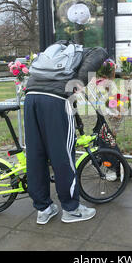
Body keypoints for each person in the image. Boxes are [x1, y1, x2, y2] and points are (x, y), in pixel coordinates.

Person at [24, 45, 106, 225]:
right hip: (57, 100)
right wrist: (77, 85)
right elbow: (100, 55)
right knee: (63, 156)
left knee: (35, 155)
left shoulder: (57, 49)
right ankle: (71, 209)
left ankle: (43, 209)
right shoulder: (90, 51)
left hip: (31, 97)